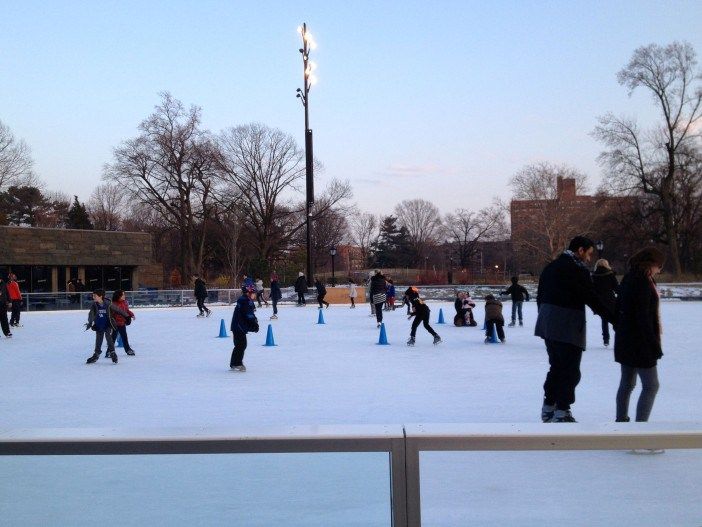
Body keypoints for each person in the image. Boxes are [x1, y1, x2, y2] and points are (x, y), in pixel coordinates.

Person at [535, 236, 615, 423]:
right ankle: (562, 410)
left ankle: (549, 407)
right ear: (580, 250)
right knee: (570, 370)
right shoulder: (578, 270)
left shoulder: (550, 267)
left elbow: (540, 296)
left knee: (556, 367)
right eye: (588, 254)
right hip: (567, 324)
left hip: (548, 324)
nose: (589, 259)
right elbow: (592, 299)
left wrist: (545, 319)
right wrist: (615, 320)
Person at [614, 247, 666, 423]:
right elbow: (642, 317)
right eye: (659, 266)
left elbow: (618, 308)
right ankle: (640, 430)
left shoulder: (630, 278)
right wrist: (653, 344)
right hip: (640, 343)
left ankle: (621, 423)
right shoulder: (642, 283)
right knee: (651, 386)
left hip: (626, 339)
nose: (660, 270)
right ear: (650, 264)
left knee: (627, 384)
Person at [85, 289, 131, 364]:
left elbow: (118, 310)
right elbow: (91, 315)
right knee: (98, 340)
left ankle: (112, 353)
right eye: (93, 296)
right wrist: (90, 323)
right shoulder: (94, 305)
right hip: (99, 325)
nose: (93, 297)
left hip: (107, 325)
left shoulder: (108, 304)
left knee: (109, 338)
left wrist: (127, 316)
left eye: (95, 296)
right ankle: (96, 354)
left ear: (100, 296)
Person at [230, 284, 259, 372]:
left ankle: (235, 362)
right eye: (253, 293)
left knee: (241, 345)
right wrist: (254, 324)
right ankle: (236, 363)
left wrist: (254, 322)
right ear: (248, 293)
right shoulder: (245, 301)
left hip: (239, 326)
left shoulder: (246, 300)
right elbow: (248, 314)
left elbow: (250, 313)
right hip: (239, 326)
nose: (255, 295)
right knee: (241, 345)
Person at [592, 259, 618, 347]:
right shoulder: (610, 274)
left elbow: (592, 289)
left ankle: (606, 339)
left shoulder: (594, 275)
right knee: (615, 319)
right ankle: (618, 337)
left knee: (604, 320)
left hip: (600, 301)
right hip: (610, 300)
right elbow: (616, 287)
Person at [110, 289, 136, 356]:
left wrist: (131, 315)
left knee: (124, 337)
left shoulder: (124, 302)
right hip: (115, 324)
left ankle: (128, 350)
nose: (124, 296)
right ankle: (109, 352)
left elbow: (127, 311)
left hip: (122, 323)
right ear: (118, 296)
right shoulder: (113, 304)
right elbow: (111, 314)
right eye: (123, 295)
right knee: (113, 338)